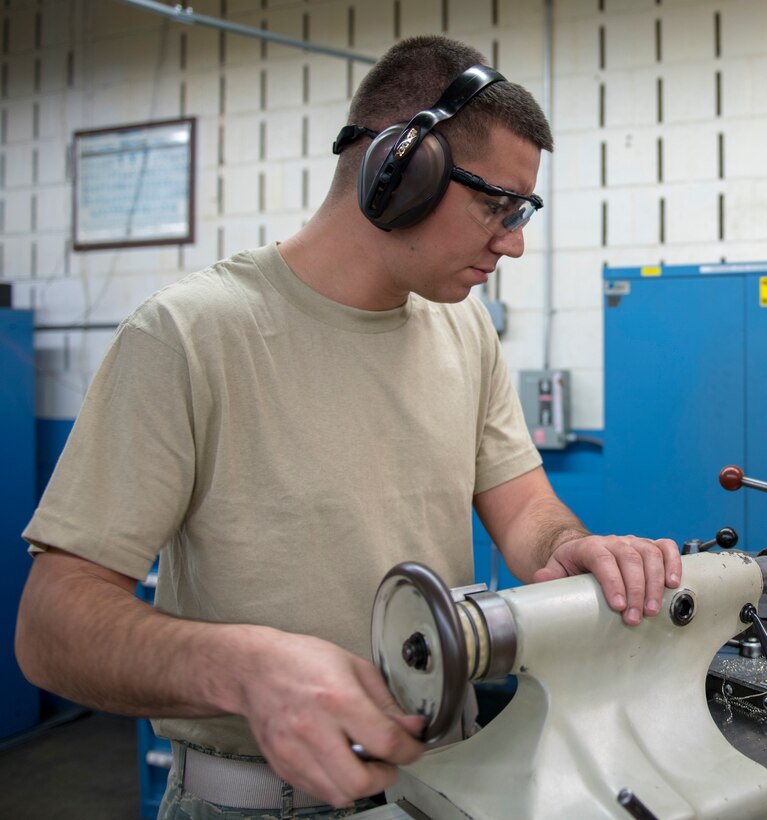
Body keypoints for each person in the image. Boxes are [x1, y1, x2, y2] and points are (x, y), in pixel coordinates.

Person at [15, 35, 681, 818]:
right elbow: (52, 625)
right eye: (496, 206)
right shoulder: (189, 335)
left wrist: (567, 547)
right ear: (400, 171)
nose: (514, 241)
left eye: (522, 211)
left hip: (450, 782)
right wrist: (244, 669)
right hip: (260, 801)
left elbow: (526, 510)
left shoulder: (463, 333)